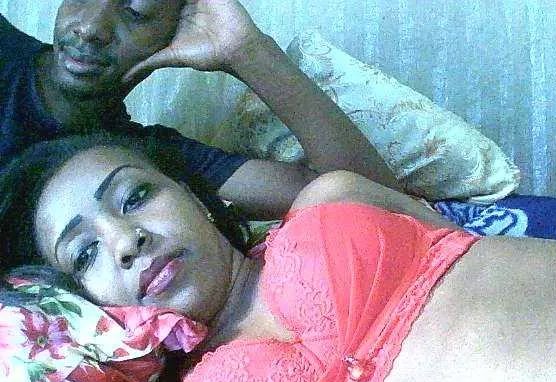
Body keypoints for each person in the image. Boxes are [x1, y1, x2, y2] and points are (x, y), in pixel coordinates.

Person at [1, 132, 556, 382]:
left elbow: (475, 242)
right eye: (84, 253)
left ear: (195, 197)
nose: (125, 240)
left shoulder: (332, 198)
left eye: (136, 196)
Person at [0, 0, 397, 219]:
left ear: (177, 30)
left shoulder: (146, 166)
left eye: (135, 11)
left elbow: (374, 200)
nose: (90, 27)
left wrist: (247, 51)